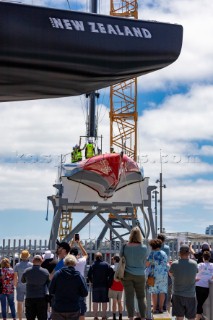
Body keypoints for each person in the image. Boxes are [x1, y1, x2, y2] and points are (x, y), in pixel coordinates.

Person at [49, 254, 88, 320]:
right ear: (75, 264)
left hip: (59, 308)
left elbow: (51, 290)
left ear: (65, 263)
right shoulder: (78, 275)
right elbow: (85, 293)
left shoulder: (57, 274)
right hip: (73, 308)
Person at [121, 226, 147, 320]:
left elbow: (121, 258)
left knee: (129, 296)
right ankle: (143, 317)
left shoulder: (124, 246)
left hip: (127, 274)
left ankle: (130, 317)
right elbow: (145, 260)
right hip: (140, 274)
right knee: (141, 297)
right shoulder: (144, 248)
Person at [169, 244, 198, 320]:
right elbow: (195, 274)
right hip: (190, 295)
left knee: (179, 317)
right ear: (189, 253)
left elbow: (170, 274)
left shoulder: (174, 264)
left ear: (179, 253)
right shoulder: (194, 264)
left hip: (178, 294)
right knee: (191, 317)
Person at [21, 255, 50, 320]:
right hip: (41, 298)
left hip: (29, 297)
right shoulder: (45, 271)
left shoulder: (27, 271)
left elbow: (22, 281)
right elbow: (48, 284)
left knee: (30, 317)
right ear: (41, 261)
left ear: (33, 261)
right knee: (42, 317)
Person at [87, 251, 114, 320]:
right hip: (105, 285)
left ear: (95, 257)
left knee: (95, 301)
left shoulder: (93, 265)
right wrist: (109, 283)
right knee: (104, 301)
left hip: (96, 285)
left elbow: (89, 275)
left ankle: (95, 316)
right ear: (101, 257)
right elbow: (111, 273)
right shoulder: (106, 264)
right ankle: (104, 316)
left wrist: (92, 281)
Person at [146, 239, 168, 314]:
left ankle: (155, 308)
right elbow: (166, 263)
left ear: (152, 246)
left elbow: (147, 264)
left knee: (153, 292)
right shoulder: (164, 253)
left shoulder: (151, 254)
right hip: (163, 275)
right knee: (162, 291)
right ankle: (161, 308)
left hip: (152, 275)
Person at [70, 238, 88, 320]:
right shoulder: (81, 261)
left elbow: (66, 255)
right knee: (81, 304)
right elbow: (85, 254)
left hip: (70, 282)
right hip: (80, 282)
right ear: (77, 255)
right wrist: (80, 244)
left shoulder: (68, 261)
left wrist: (71, 243)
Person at [14, 250, 33, 320]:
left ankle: (20, 318)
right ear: (28, 256)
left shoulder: (17, 265)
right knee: (29, 303)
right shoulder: (31, 265)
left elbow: (15, 276)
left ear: (21, 257)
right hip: (29, 286)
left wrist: (15, 285)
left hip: (20, 285)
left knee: (19, 302)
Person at [195, 251, 213, 320]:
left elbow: (194, 272)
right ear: (210, 257)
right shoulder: (212, 265)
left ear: (203, 257)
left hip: (198, 285)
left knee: (199, 302)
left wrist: (195, 278)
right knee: (201, 302)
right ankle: (199, 316)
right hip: (207, 286)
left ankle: (198, 317)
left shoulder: (199, 265)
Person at [109, 256, 124, 320]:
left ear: (115, 260)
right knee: (120, 302)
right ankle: (120, 316)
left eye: (112, 259)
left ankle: (114, 317)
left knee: (114, 302)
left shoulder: (112, 267)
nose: (112, 261)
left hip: (113, 286)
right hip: (120, 286)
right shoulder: (122, 268)